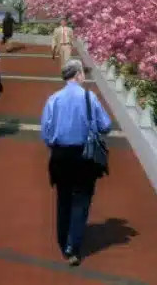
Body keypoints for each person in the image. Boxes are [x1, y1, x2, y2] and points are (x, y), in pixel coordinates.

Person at [40, 59, 113, 267]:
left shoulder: (53, 99)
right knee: (81, 200)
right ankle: (73, 246)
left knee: (63, 198)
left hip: (60, 155)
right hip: (84, 156)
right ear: (79, 74)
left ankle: (62, 241)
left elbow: (46, 133)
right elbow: (106, 126)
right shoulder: (90, 98)